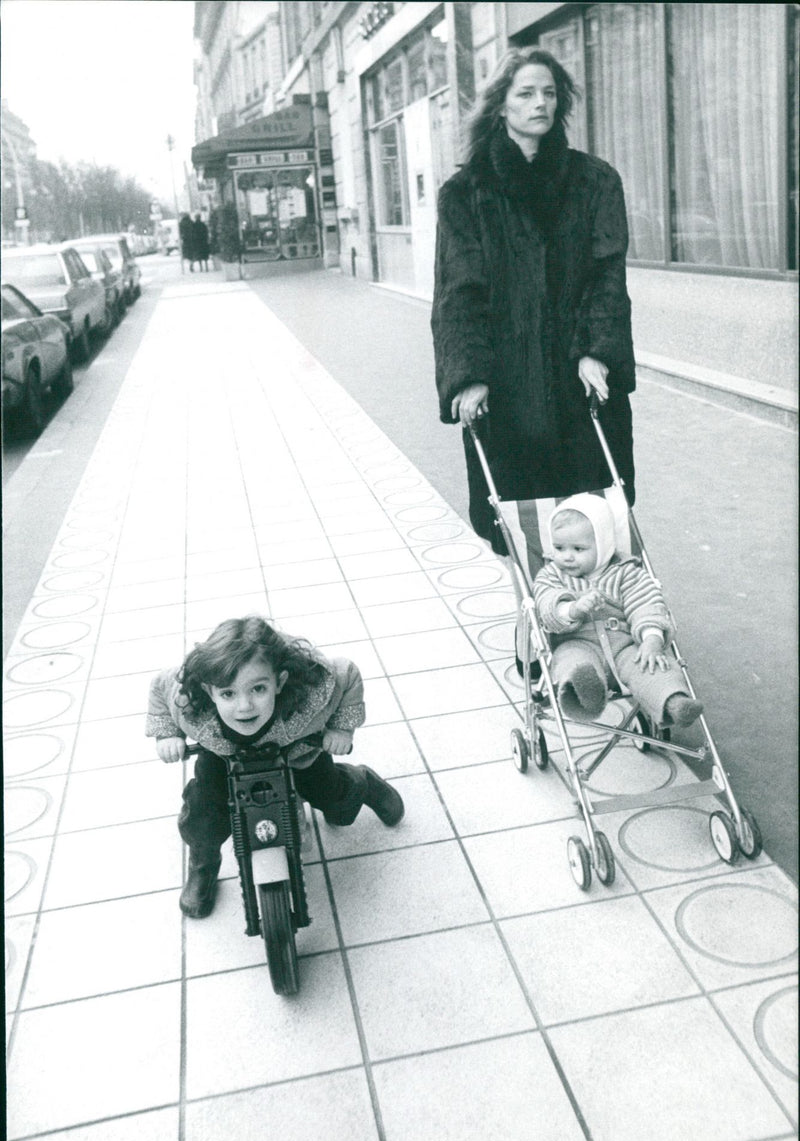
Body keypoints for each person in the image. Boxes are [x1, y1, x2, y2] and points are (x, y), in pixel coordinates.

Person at [431, 47, 637, 558]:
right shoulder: (465, 193)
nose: (539, 103)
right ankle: (531, 617)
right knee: (515, 516)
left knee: (593, 510)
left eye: (549, 93)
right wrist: (468, 374)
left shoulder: (595, 182)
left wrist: (597, 351)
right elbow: (458, 292)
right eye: (525, 93)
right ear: (501, 104)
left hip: (577, 381)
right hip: (507, 388)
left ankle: (602, 614)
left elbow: (607, 275)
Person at [145, 616, 405, 918]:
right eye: (228, 693)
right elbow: (160, 686)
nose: (244, 707)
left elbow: (346, 675)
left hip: (297, 750)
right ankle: (203, 863)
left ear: (279, 682)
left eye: (257, 689)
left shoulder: (309, 695)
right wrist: (168, 735)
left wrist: (341, 730)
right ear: (208, 690)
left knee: (333, 797)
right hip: (223, 757)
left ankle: (363, 782)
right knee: (204, 813)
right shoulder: (190, 704)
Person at [533, 493, 703, 728]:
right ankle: (585, 695)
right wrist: (571, 609)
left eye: (578, 549)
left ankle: (674, 702)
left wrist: (651, 639)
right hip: (576, 642)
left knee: (652, 664)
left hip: (625, 643)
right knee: (572, 664)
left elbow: (646, 604)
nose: (567, 556)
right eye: (559, 548)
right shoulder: (551, 574)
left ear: (603, 544)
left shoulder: (626, 571)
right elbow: (546, 604)